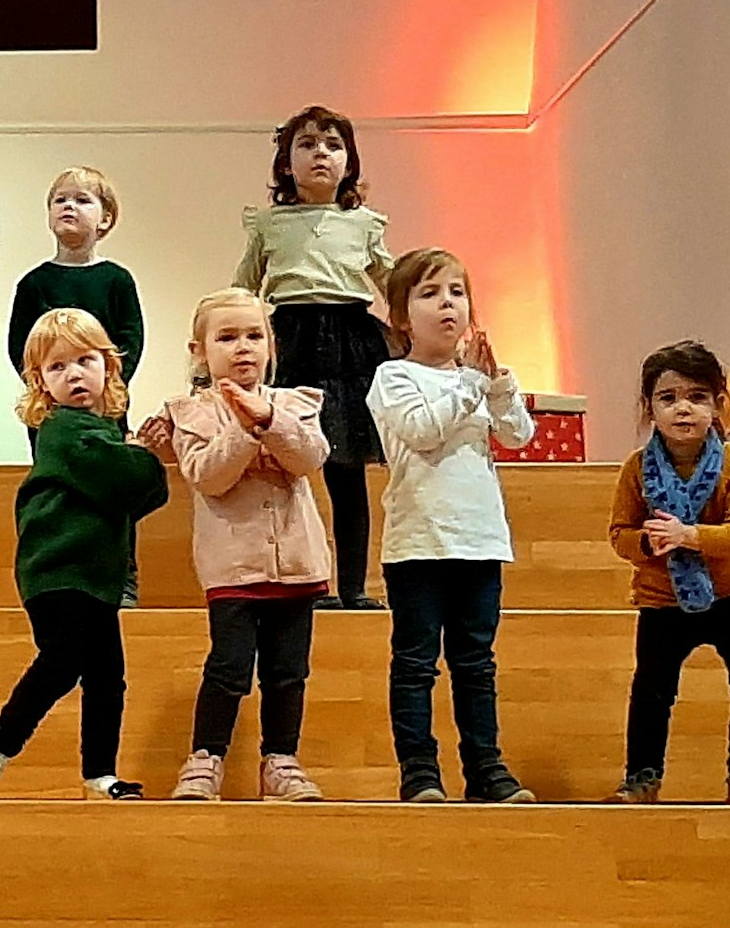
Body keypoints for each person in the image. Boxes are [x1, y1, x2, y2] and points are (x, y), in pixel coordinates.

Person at [0, 309, 167, 802]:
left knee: (106, 678)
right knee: (61, 662)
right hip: (57, 573)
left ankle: (99, 773)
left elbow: (141, 494)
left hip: (94, 578)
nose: (74, 374)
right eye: (58, 367)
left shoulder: (104, 432)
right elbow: (129, 483)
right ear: (41, 383)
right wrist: (145, 456)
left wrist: (137, 458)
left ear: (109, 368)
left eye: (85, 361)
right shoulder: (66, 429)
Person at [140, 288, 328, 802]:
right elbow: (208, 475)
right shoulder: (189, 413)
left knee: (288, 672)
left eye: (254, 336)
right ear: (200, 351)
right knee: (229, 667)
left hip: (297, 564)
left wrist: (269, 419)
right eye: (227, 337)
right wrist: (248, 429)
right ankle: (205, 759)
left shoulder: (296, 404)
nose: (243, 347)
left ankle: (282, 761)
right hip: (233, 572)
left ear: (271, 345)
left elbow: (309, 458)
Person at [367, 247, 536, 804]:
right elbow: (421, 431)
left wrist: (499, 384)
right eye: (430, 293)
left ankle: (485, 768)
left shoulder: (478, 382)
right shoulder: (393, 377)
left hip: (479, 538)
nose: (448, 305)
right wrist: (471, 388)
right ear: (401, 316)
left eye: (457, 293)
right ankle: (419, 771)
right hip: (418, 543)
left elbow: (517, 435)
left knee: (476, 663)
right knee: (416, 663)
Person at [606, 340, 730, 805]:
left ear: (719, 405)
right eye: (668, 398)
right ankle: (641, 778)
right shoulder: (637, 469)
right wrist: (648, 543)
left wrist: (690, 536)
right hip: (662, 601)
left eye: (698, 397)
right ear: (649, 409)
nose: (684, 409)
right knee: (652, 692)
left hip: (729, 595)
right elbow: (619, 533)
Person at [234, 105, 393, 610]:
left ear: (350, 162)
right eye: (306, 144)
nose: (319, 153)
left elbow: (392, 284)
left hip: (351, 343)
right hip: (291, 340)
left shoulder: (364, 223)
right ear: (286, 163)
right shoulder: (269, 224)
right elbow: (244, 287)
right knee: (285, 465)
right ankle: (298, 579)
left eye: (332, 144)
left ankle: (353, 586)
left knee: (346, 471)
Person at [5, 165, 146, 605]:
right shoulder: (34, 283)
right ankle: (56, 572)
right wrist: (51, 390)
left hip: (107, 409)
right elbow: (20, 347)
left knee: (111, 491)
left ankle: (121, 575)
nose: (70, 206)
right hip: (50, 414)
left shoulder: (117, 280)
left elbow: (130, 340)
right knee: (56, 491)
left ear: (105, 218)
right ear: (49, 215)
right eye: (60, 199)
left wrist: (102, 386)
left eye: (83, 199)